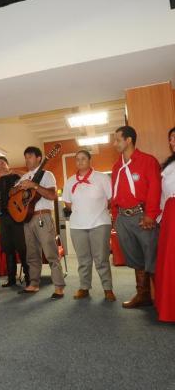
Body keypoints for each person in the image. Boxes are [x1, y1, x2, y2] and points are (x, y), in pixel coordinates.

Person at [111, 126, 161, 309]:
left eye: (117, 139)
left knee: (152, 257)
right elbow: (115, 194)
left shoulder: (147, 161)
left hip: (142, 216)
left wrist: (150, 215)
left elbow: (155, 189)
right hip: (123, 219)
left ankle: (163, 300)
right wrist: (116, 218)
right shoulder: (116, 166)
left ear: (129, 140)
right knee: (136, 258)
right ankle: (143, 295)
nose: (114, 143)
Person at [63, 150, 115, 301]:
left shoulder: (102, 178)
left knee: (101, 258)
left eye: (83, 158)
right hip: (77, 225)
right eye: (77, 159)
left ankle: (107, 289)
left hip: (100, 223)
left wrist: (97, 210)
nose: (80, 162)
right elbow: (67, 201)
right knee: (83, 259)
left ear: (90, 160)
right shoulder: (70, 181)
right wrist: (80, 212)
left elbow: (111, 199)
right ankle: (84, 288)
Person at [16, 146, 66, 298]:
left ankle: (59, 287)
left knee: (51, 253)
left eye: (30, 156)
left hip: (42, 217)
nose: (27, 159)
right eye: (26, 157)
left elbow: (52, 195)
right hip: (27, 219)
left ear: (39, 158)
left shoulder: (47, 174)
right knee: (32, 255)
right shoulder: (24, 177)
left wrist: (35, 186)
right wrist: (18, 188)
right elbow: (13, 194)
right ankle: (34, 284)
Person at [0, 156, 29, 287]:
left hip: (17, 215)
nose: (1, 166)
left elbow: (30, 177)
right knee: (7, 249)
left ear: (7, 164)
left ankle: (29, 278)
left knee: (22, 248)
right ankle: (11, 279)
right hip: (2, 217)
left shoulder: (16, 175)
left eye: (3, 163)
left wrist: (15, 172)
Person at [155, 127, 175, 322]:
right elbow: (163, 196)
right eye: (171, 138)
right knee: (170, 261)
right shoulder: (167, 167)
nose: (173, 140)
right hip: (170, 214)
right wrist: (160, 218)